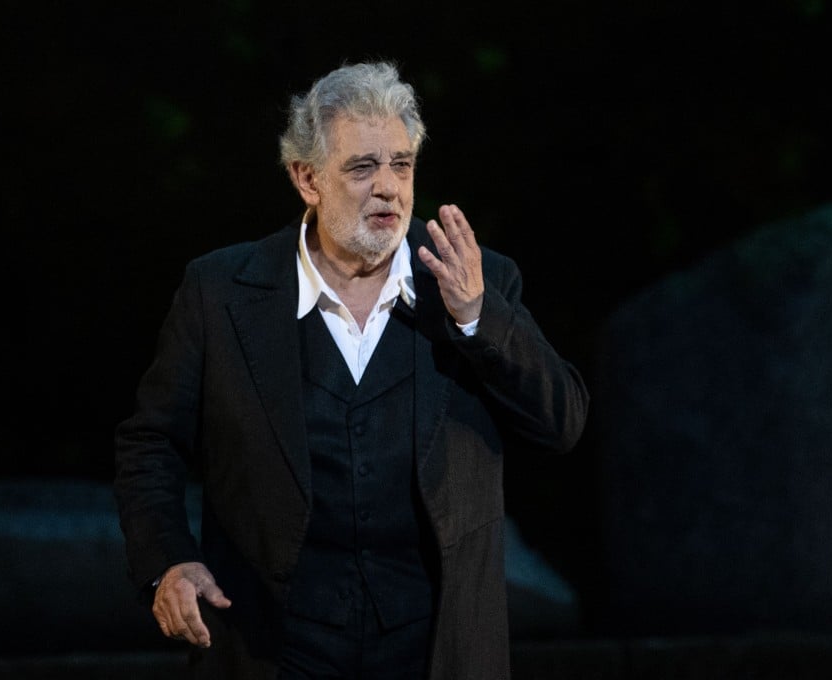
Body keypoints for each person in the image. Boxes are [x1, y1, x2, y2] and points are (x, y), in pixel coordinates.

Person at [113, 60, 589, 680]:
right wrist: (169, 560)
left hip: (433, 649)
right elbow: (150, 442)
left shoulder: (478, 281)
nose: (388, 187)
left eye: (401, 164)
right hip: (273, 646)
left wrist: (478, 318)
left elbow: (563, 423)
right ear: (307, 178)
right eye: (363, 167)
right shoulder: (220, 291)